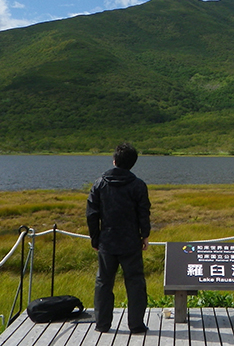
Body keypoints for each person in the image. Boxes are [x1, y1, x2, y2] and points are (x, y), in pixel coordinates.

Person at [86, 143, 151, 334]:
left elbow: (92, 214)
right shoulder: (138, 185)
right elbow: (143, 213)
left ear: (114, 161)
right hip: (131, 242)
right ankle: (136, 325)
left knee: (104, 283)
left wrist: (95, 239)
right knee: (136, 282)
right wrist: (144, 235)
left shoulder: (99, 184)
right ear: (132, 164)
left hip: (106, 241)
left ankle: (102, 324)